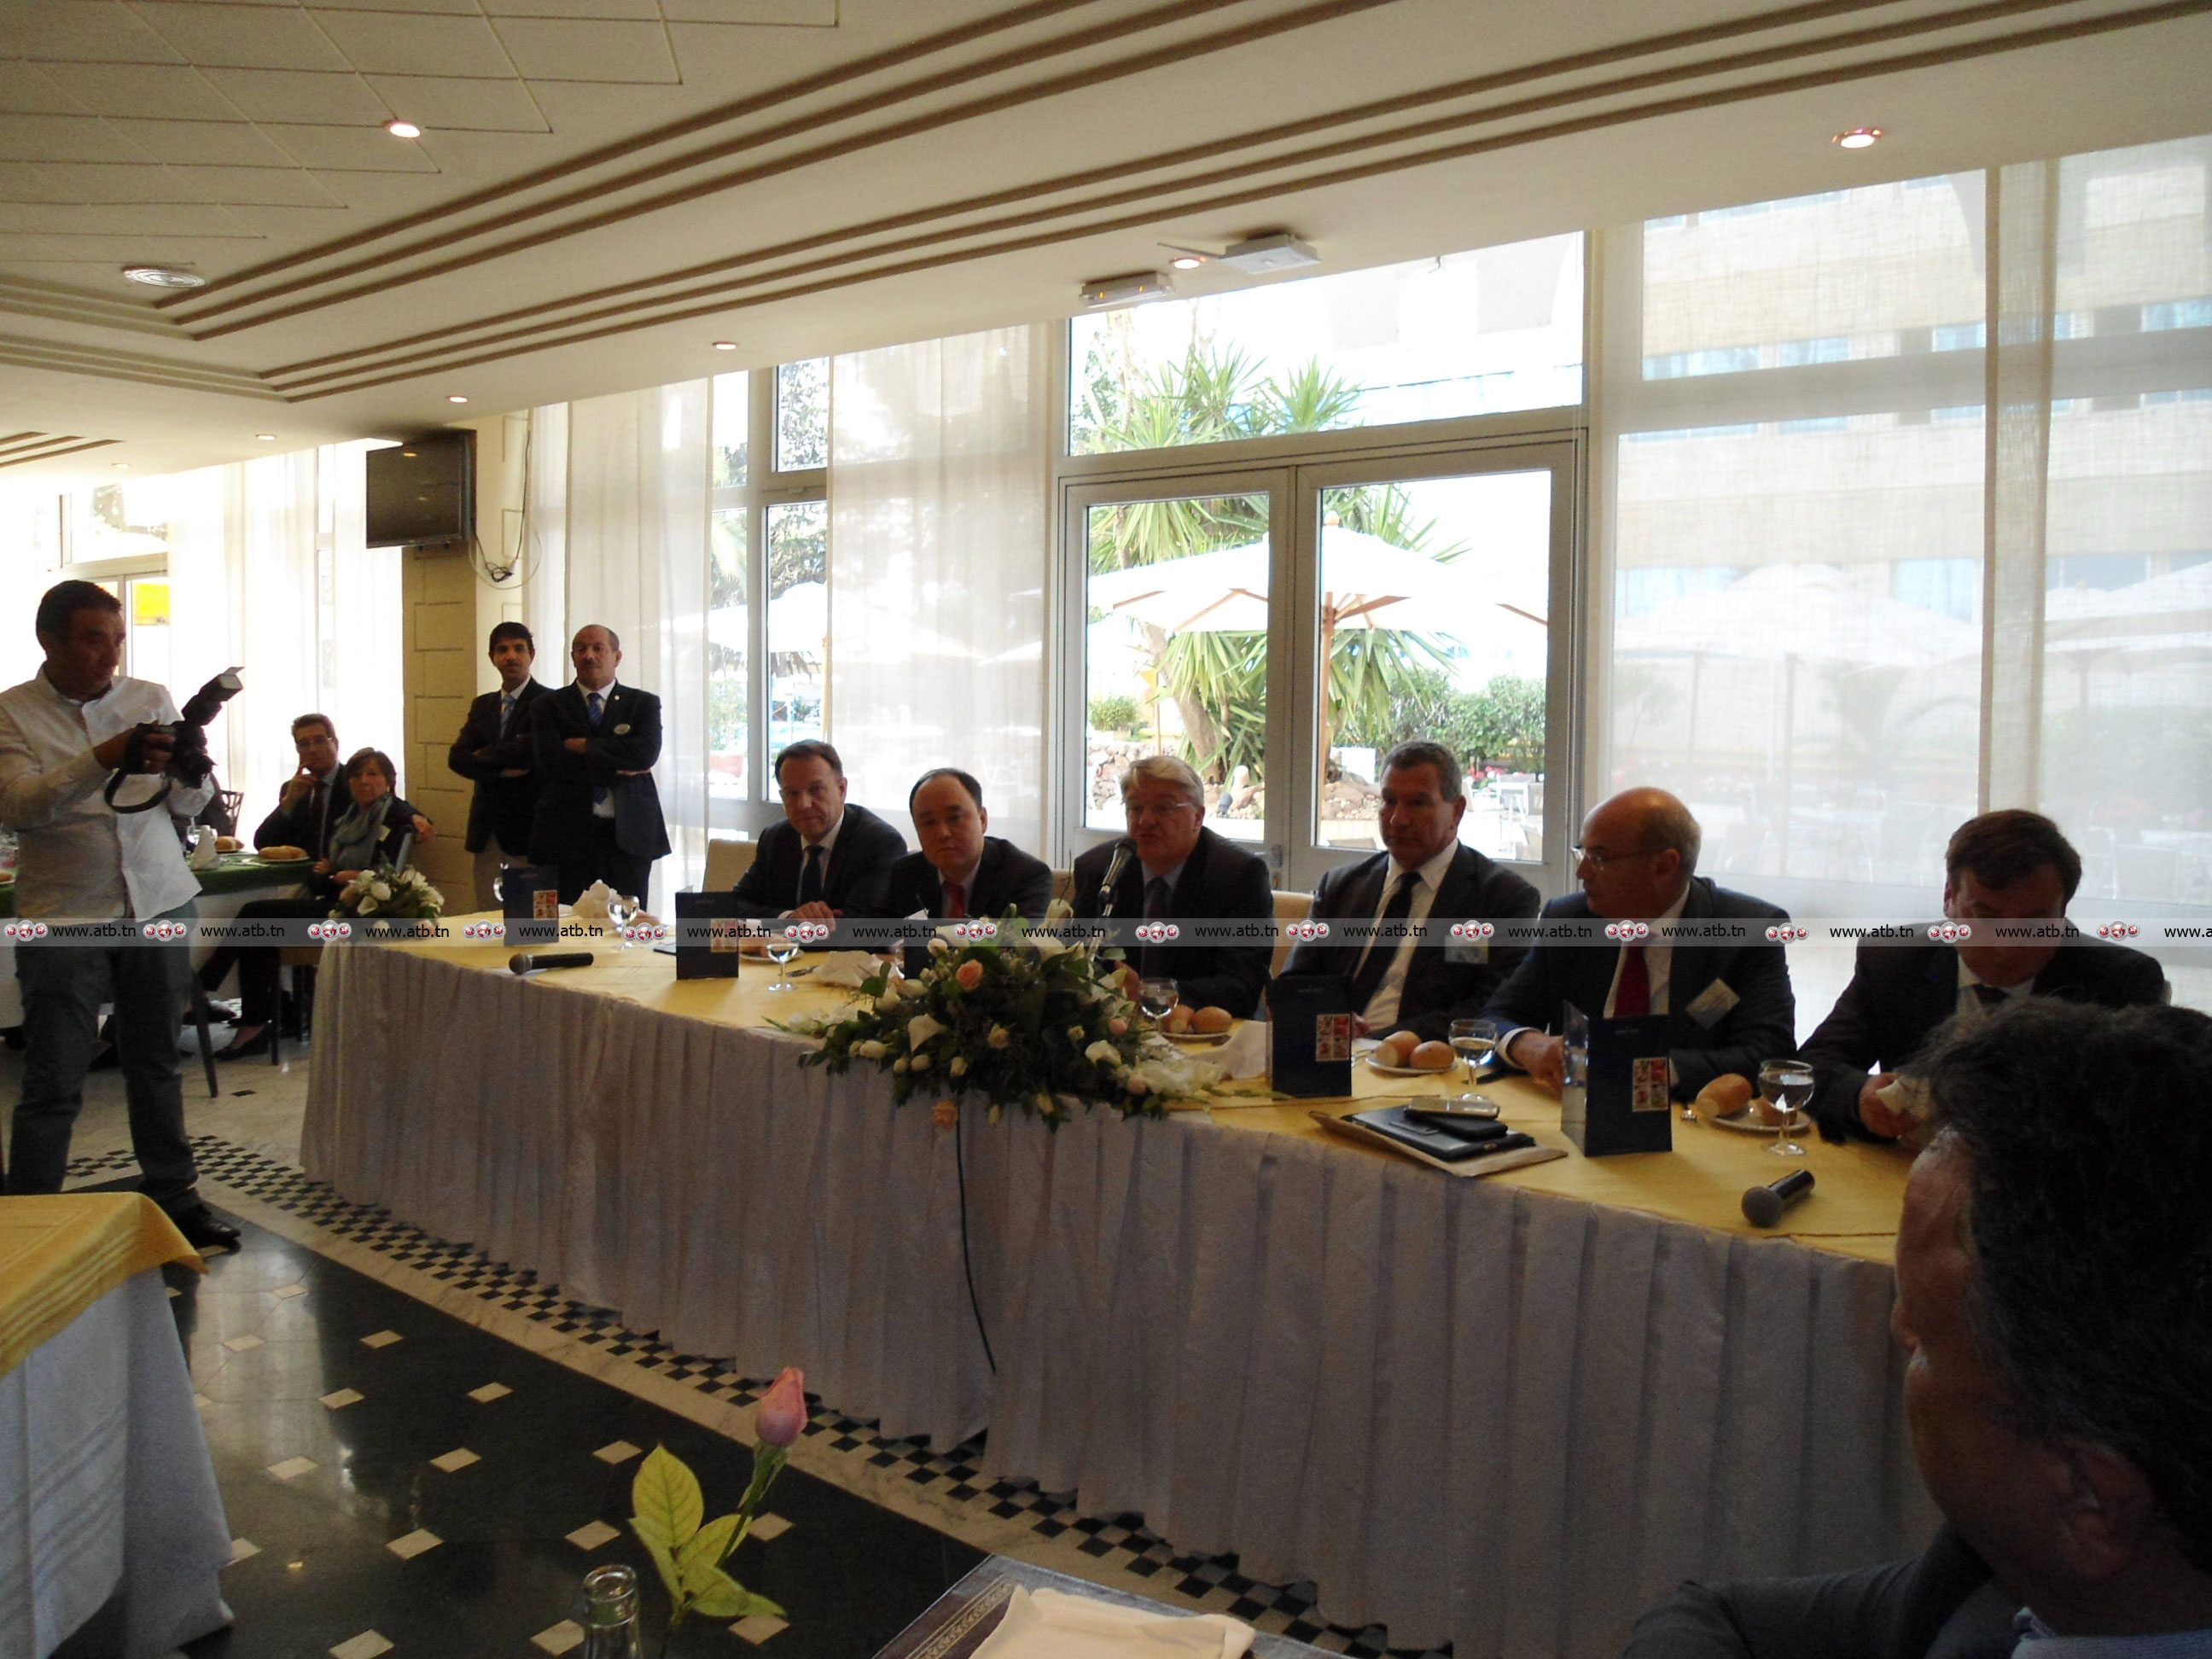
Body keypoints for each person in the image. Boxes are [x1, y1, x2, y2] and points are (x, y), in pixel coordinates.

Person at [1623, 998, 2212, 1657]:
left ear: (2090, 1499)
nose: (1897, 1328)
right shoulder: (1993, 1580)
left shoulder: (2008, 1570)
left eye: (1925, 1342)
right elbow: (1715, 1617)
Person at [0, 579, 236, 1249]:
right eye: (92, 640)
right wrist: (100, 759)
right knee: (54, 1075)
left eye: (118, 639)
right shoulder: (11, 713)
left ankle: (175, 1196)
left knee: (156, 1060)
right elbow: (18, 807)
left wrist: (192, 772)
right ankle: (24, 1225)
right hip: (66, 913)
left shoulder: (149, 697)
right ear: (49, 641)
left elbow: (184, 809)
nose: (110, 655)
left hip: (159, 898)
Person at [1802, 808, 2167, 1144]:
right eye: (1986, 917)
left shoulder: (2120, 982)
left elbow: (2145, 1123)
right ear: (1949, 898)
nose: (2008, 945)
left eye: (2035, 922)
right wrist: (1860, 1098)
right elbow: (1812, 1067)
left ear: (2063, 912)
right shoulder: (1897, 958)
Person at [1482, 786, 1794, 1104]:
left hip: (1688, 1119)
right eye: (1582, 853)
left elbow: (1770, 1055)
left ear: (1664, 865)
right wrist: (1529, 1045)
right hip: (1573, 1115)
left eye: (1599, 857)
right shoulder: (1569, 920)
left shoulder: (1748, 931)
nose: (1581, 871)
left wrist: (1645, 1071)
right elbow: (1497, 1015)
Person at [1281, 740, 1540, 1039]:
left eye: (1418, 803)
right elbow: (1292, 983)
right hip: (1331, 1048)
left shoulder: (1501, 899)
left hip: (1425, 1057)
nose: (1398, 819)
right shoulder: (1341, 886)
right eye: (1389, 800)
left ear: (1457, 812)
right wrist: (1330, 1017)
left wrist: (1383, 1041)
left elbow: (1490, 1009)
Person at [214, 748, 428, 1059]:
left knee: (255, 915)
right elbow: (319, 878)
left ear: (388, 780)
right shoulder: (348, 818)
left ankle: (214, 990)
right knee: (259, 929)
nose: (364, 781)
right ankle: (255, 1021)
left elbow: (384, 877)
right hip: (333, 905)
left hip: (362, 916)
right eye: (356, 775)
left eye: (372, 774)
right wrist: (336, 876)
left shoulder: (395, 818)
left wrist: (342, 875)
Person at [1072, 754, 1272, 1019]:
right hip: (1118, 1027)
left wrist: (1151, 994)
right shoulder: (1100, 869)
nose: (1145, 821)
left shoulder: (1239, 876)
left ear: (1198, 817)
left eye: (1164, 808)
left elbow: (1241, 987)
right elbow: (1073, 964)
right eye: (1135, 808)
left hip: (1213, 1031)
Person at [527, 625, 670, 905]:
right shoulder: (549, 705)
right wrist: (618, 764)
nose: (589, 656)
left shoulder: (642, 703)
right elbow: (553, 762)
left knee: (627, 920)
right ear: (572, 657)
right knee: (568, 922)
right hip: (567, 835)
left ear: (617, 657)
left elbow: (645, 754)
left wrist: (587, 747)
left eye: (598, 648)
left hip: (629, 837)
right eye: (581, 649)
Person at [875, 769, 1053, 965]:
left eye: (955, 818)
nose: (943, 833)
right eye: (929, 823)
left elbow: (1015, 952)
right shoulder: (906, 872)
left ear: (982, 819)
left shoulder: (1025, 875)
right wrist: (900, 946)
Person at [730, 740, 907, 921]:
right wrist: (788, 918)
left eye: (816, 790)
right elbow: (732, 906)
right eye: (792, 793)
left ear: (841, 790)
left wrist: (802, 926)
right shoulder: (776, 838)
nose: (803, 804)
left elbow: (859, 926)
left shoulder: (880, 844)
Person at [446, 620, 550, 911]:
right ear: (492, 657)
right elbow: (457, 758)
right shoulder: (483, 705)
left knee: (532, 924)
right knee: (487, 919)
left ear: (532, 655)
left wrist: (482, 755)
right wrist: (502, 769)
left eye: (519, 649)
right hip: (487, 831)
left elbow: (529, 753)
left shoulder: (549, 702)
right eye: (502, 650)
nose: (511, 656)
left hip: (530, 832)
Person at [253, 712, 345, 858]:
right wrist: (288, 803)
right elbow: (263, 843)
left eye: (319, 741)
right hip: (300, 871)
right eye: (304, 744)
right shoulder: (293, 789)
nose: (312, 750)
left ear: (336, 744)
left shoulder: (354, 783)